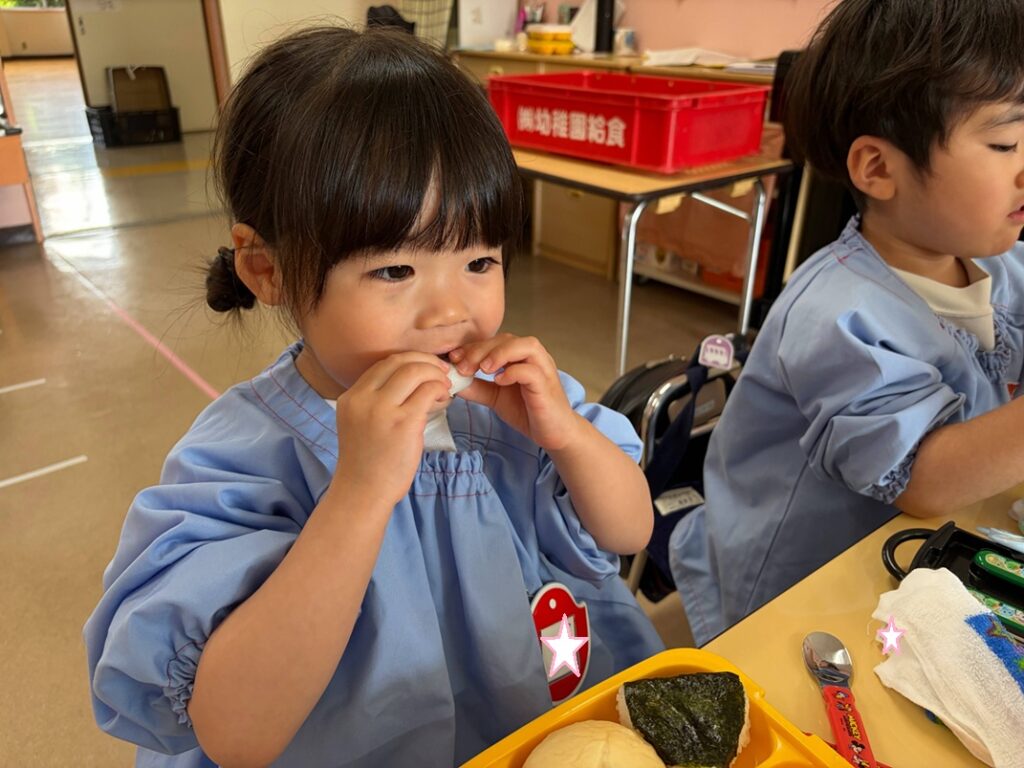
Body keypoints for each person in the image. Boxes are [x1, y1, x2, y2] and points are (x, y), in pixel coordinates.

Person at [84, 26, 663, 768]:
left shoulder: (511, 404)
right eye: (394, 271)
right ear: (268, 270)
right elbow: (235, 732)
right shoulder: (242, 461)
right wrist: (358, 493)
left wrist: (568, 438)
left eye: (480, 261)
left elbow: (629, 532)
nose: (450, 312)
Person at [669, 0, 1024, 646]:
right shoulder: (839, 315)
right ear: (879, 168)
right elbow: (925, 479)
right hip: (793, 588)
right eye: (1005, 144)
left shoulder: (1001, 264)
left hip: (918, 555)